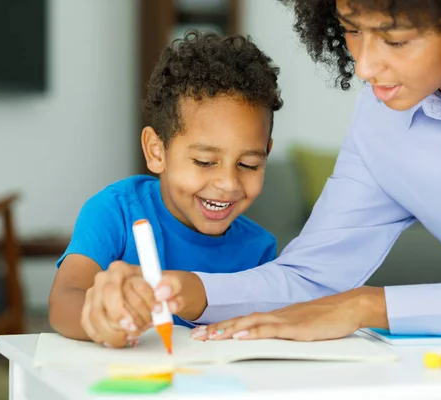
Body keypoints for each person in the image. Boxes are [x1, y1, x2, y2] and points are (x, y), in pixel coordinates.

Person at [88, 0, 441, 345]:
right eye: (352, 30)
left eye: (395, 39)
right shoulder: (381, 122)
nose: (365, 65)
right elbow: (312, 277)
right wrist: (182, 290)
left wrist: (367, 306)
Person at [48, 30, 283, 348]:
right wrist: (103, 318)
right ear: (157, 151)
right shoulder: (115, 211)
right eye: (204, 161)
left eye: (249, 164)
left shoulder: (260, 250)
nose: (228, 183)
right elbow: (63, 300)